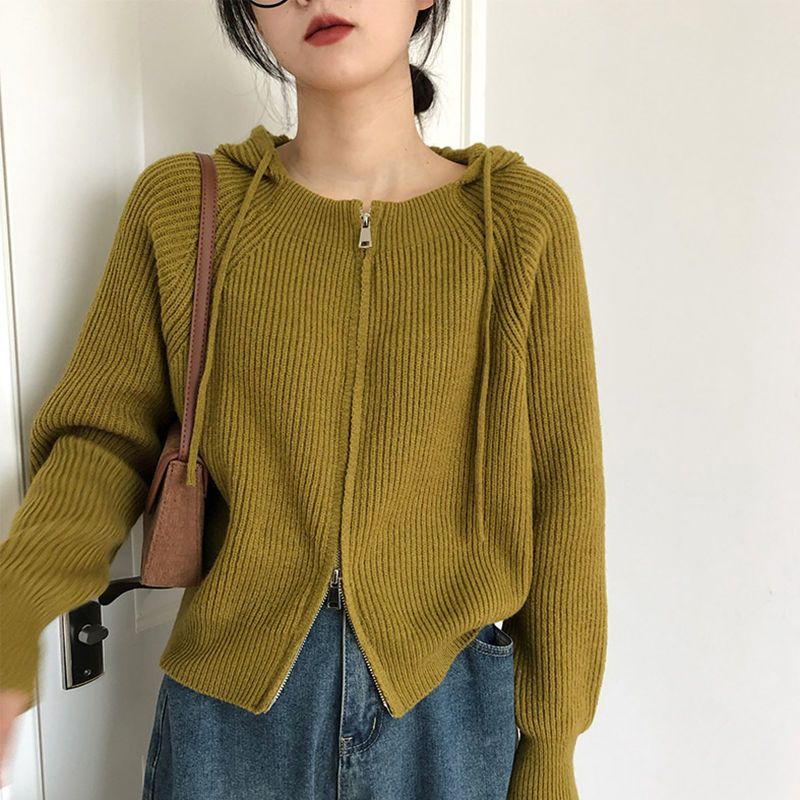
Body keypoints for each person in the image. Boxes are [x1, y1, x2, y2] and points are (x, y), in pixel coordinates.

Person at [0, 1, 608, 798]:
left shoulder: (521, 225)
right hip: (229, 725)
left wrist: (551, 755)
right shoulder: (185, 209)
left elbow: (564, 500)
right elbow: (104, 443)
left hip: (448, 720)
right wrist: (12, 621)